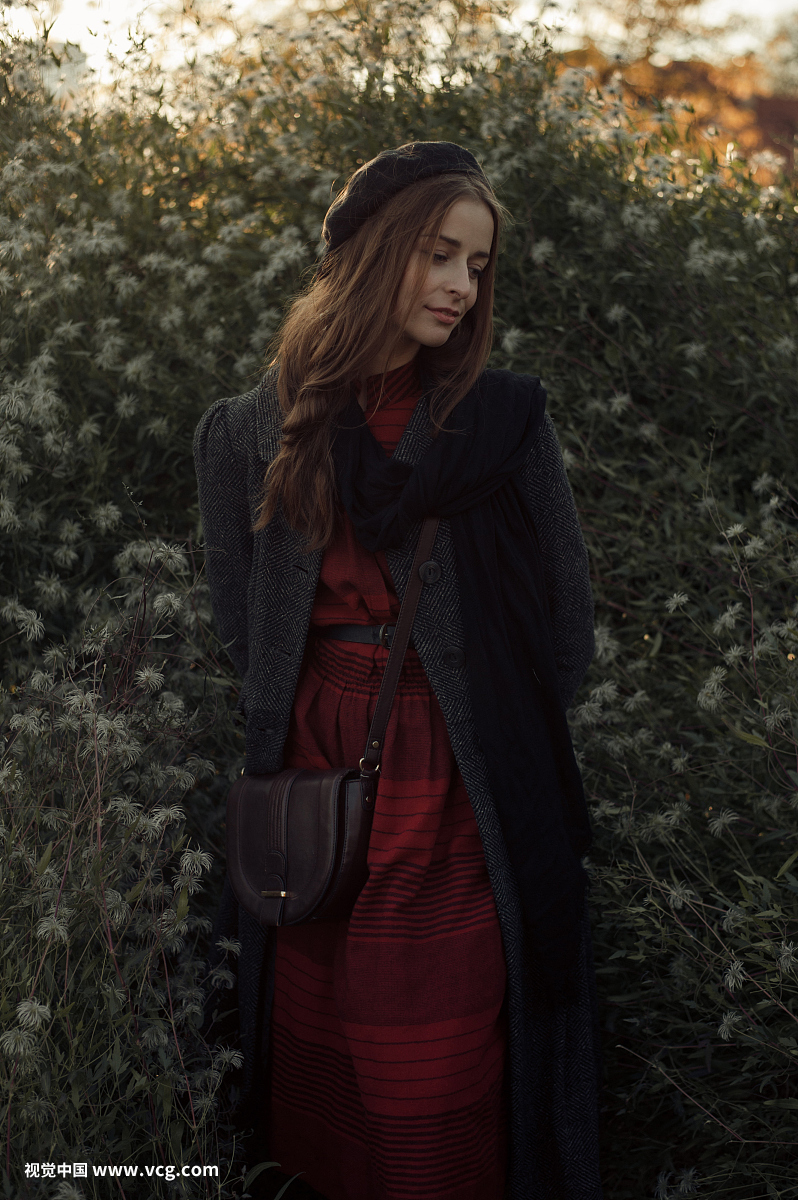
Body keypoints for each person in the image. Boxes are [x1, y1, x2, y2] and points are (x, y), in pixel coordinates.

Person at [194, 141, 603, 1200]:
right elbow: (244, 633)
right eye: (439, 256)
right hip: (315, 787)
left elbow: (568, 620)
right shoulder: (249, 433)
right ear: (371, 255)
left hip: (462, 785)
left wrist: (481, 723)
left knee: (433, 1068)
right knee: (321, 1057)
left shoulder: (504, 423)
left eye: (478, 267)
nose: (464, 289)